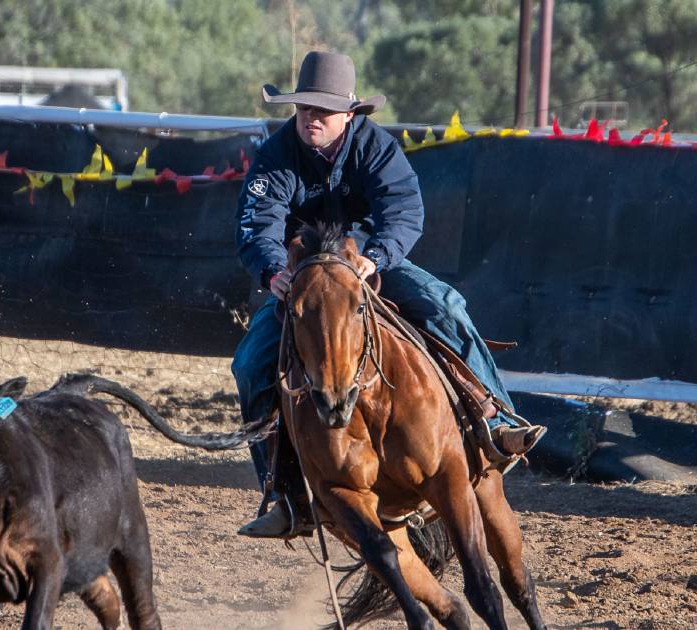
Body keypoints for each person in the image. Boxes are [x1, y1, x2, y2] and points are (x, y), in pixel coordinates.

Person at [232, 51, 546, 538]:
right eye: (304, 108)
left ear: (349, 115)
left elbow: (403, 211)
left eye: (323, 110)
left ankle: (496, 421)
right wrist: (273, 270)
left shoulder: (376, 148)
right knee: (250, 364)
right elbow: (258, 223)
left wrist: (374, 258)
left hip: (370, 265)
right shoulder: (276, 154)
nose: (311, 118)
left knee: (446, 306)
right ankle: (285, 492)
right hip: (305, 280)